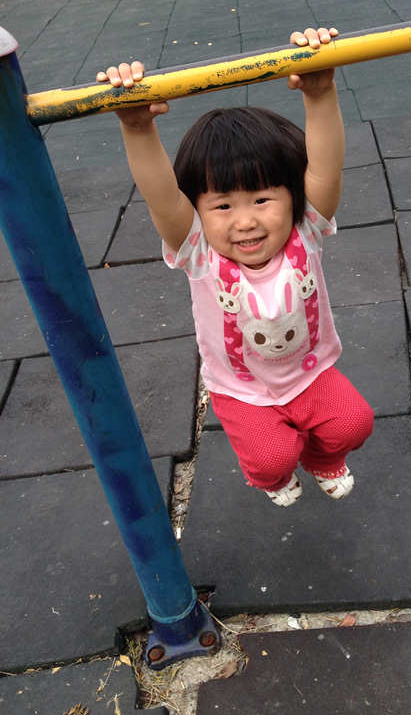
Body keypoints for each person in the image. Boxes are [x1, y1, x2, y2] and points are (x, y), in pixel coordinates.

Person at [97, 27, 374, 507]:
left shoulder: (304, 230)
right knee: (271, 459)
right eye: (223, 206)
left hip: (310, 374)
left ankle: (322, 458)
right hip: (242, 389)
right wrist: (137, 129)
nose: (245, 221)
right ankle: (272, 478)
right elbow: (163, 197)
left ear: (292, 196)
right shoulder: (200, 252)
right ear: (199, 212)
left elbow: (326, 167)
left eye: (263, 199)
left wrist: (320, 93)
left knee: (354, 424)